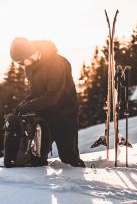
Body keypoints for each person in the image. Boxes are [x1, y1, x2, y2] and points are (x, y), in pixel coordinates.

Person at [10, 37, 85, 167]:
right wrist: (23, 104)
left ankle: (77, 182)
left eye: (24, 60)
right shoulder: (30, 65)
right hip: (44, 116)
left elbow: (53, 96)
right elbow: (36, 92)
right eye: (21, 63)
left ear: (30, 52)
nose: (25, 64)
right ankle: (37, 186)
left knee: (68, 157)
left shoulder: (57, 63)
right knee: (38, 157)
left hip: (65, 114)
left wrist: (29, 106)